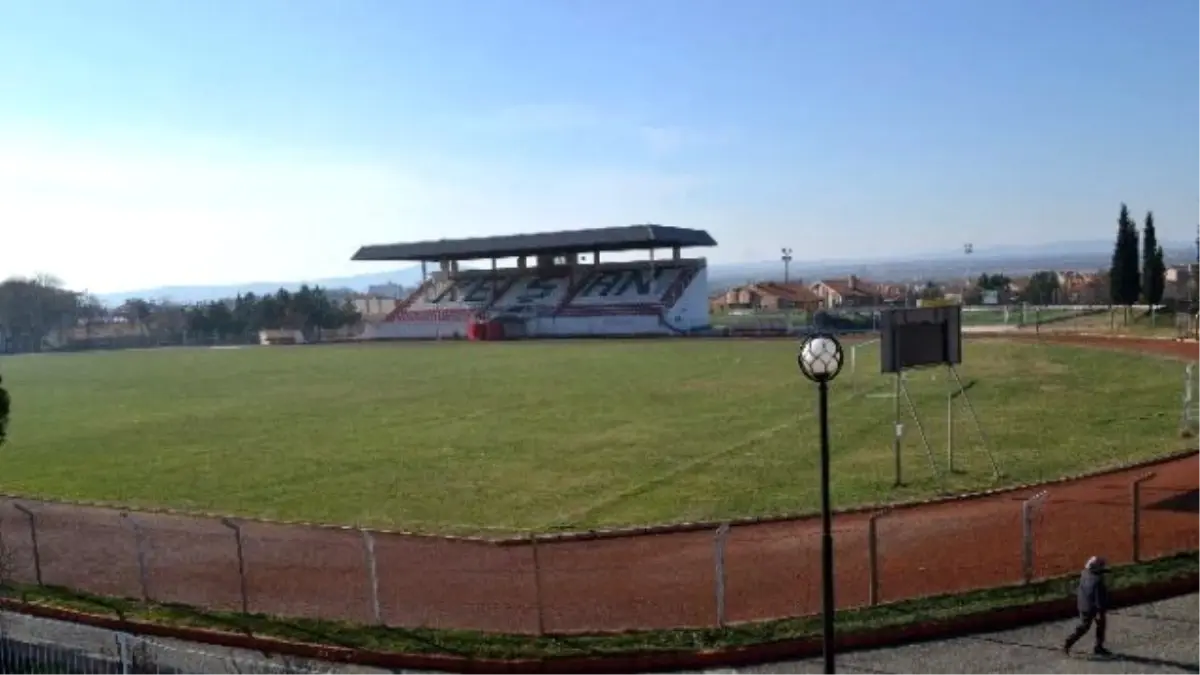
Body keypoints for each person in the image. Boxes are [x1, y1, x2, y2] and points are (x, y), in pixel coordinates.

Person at [1064, 555, 1111, 656]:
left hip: (1083, 604)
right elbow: (1099, 598)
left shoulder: (1084, 574)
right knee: (1094, 625)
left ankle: (1069, 642)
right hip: (1092, 607)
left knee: (1085, 626)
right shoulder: (1097, 581)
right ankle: (1097, 647)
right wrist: (1099, 612)